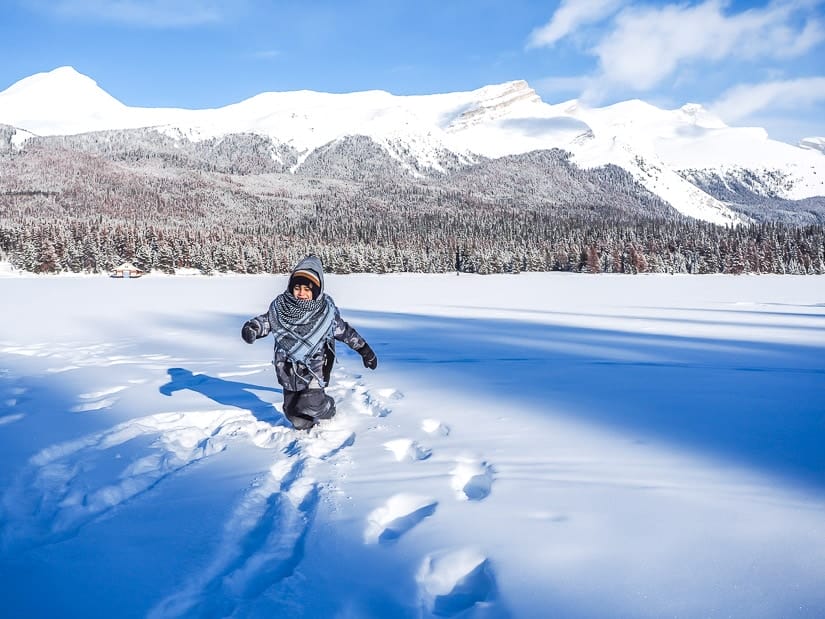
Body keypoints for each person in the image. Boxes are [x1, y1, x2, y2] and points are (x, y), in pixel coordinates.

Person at [241, 255, 378, 430]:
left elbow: (347, 333)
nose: (301, 293)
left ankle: (328, 407)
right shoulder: (280, 308)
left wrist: (365, 351)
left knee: (311, 402)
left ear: (317, 290)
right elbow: (266, 322)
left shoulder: (325, 314)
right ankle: (306, 428)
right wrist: (252, 328)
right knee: (293, 414)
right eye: (297, 288)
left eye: (307, 289)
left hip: (315, 367)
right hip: (287, 368)